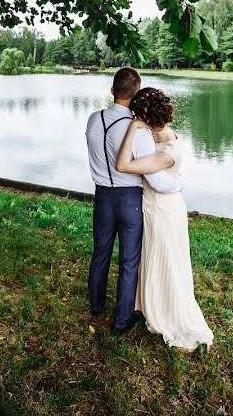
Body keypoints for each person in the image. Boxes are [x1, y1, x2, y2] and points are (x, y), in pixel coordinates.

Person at [85, 68, 183, 333]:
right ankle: (122, 319)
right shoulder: (138, 129)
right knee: (129, 261)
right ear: (136, 93)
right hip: (130, 200)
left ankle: (96, 304)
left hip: (102, 196)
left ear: (112, 90)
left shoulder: (93, 120)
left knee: (100, 252)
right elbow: (150, 175)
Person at [115, 87, 213, 351]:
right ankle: (146, 303)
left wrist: (131, 131)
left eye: (137, 114)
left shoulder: (166, 151)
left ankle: (168, 312)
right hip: (155, 207)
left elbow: (123, 165)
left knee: (166, 260)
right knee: (151, 258)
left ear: (144, 117)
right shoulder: (158, 137)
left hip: (163, 211)